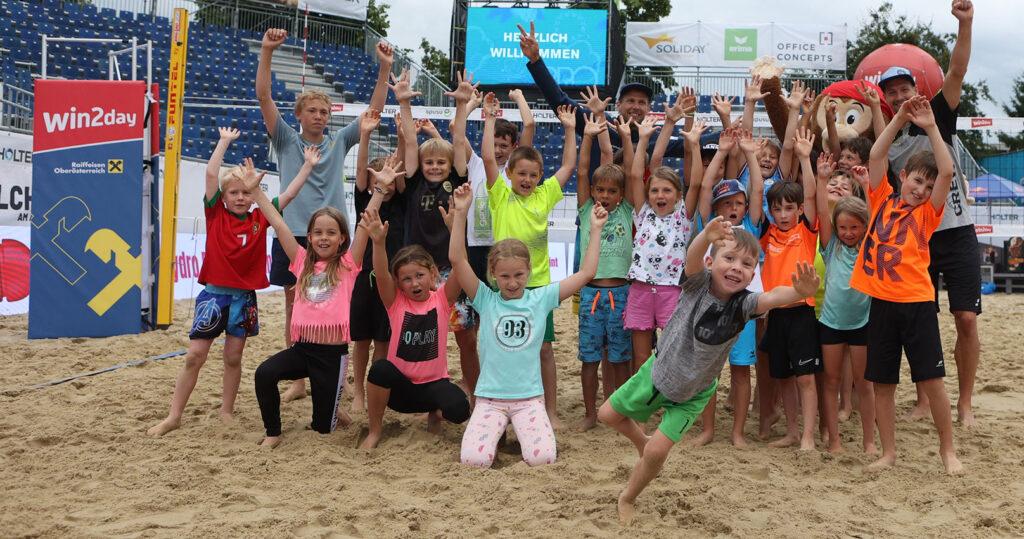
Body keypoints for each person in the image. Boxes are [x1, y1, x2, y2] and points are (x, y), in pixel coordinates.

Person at [599, 216, 821, 525]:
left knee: (656, 454)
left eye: (745, 264)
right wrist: (706, 234)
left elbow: (772, 297)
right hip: (659, 372)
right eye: (728, 258)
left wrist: (799, 292)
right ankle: (641, 441)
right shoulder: (697, 283)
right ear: (711, 261)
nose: (736, 267)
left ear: (752, 273)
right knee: (607, 416)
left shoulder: (745, 304)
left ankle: (628, 497)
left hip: (694, 393)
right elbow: (691, 259)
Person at [146, 131, 316, 437]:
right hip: (213, 297)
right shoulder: (214, 215)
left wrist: (306, 166)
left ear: (253, 195)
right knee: (195, 355)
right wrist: (224, 141)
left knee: (233, 357)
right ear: (223, 197)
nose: (240, 198)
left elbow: (288, 195)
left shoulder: (259, 218)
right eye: (234, 193)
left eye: (245, 193)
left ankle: (226, 410)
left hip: (244, 299)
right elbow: (212, 173)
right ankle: (174, 415)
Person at [257, 28, 393, 403]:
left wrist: (384, 70)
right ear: (299, 115)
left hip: (334, 234)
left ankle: (335, 371)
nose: (319, 116)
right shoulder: (285, 139)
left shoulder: (338, 141)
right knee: (293, 306)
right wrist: (268, 51)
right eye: (312, 110)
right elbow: (264, 96)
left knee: (338, 308)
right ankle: (300, 378)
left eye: (324, 111)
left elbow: (374, 112)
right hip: (295, 234)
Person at [448, 183, 610, 467]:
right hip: (490, 398)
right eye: (505, 276)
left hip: (529, 399)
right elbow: (457, 259)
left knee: (543, 458)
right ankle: (495, 437)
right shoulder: (485, 298)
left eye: (519, 275)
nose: (512, 283)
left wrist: (595, 229)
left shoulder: (540, 297)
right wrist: (461, 213)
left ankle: (516, 434)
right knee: (474, 461)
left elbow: (587, 273)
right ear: (493, 275)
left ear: (529, 271)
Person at [850, 95, 964, 475]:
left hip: (917, 304)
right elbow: (877, 155)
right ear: (903, 177)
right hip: (881, 303)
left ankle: (948, 452)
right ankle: (888, 452)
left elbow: (946, 172)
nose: (921, 188)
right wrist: (898, 117)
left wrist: (931, 127)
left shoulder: (928, 214)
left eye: (927, 185)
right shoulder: (881, 197)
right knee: (882, 384)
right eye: (917, 180)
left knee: (931, 381)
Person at [879, 0, 980, 428]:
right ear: (885, 99)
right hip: (915, 241)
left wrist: (965, 23)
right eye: (892, 91)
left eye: (905, 88)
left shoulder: (938, 115)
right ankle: (924, 398)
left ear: (915, 88)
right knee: (922, 322)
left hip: (956, 233)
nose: (901, 95)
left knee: (967, 318)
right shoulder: (888, 140)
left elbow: (956, 71)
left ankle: (966, 402)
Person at [247, 159, 372, 448]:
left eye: (331, 233)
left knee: (322, 430)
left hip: (332, 357)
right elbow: (278, 223)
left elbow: (365, 225)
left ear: (342, 238)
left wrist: (378, 191)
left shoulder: (347, 265)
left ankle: (332, 409)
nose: (323, 238)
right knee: (264, 373)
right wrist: (257, 193)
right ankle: (273, 432)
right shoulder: (301, 261)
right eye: (318, 233)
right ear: (310, 237)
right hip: (303, 350)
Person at [481, 92, 577, 427]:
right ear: (510, 173)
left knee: (544, 350)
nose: (527, 180)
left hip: (536, 287)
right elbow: (488, 161)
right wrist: (490, 117)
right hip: (503, 287)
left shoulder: (544, 195)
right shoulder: (501, 195)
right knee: (504, 348)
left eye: (533, 175)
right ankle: (498, 407)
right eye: (521, 173)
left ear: (539, 177)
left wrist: (569, 130)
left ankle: (549, 411)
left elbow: (567, 166)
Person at [358, 181, 471, 449]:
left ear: (432, 274)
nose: (414, 283)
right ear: (399, 284)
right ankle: (375, 430)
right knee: (381, 368)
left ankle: (435, 413)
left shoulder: (442, 298)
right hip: (400, 391)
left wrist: (455, 226)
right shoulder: (395, 302)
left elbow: (460, 264)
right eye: (406, 279)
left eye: (419, 275)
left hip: (433, 387)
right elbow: (382, 273)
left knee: (460, 410)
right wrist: (378, 243)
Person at [691, 127, 765, 448]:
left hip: (744, 310)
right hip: (711, 308)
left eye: (738, 202)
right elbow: (705, 187)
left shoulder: (750, 224)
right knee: (708, 373)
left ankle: (737, 432)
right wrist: (721, 152)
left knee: (740, 371)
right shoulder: (709, 228)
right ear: (717, 208)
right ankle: (707, 430)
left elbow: (758, 190)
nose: (732, 207)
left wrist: (749, 152)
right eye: (726, 203)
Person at [758, 127, 821, 451]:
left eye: (789, 208)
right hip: (776, 316)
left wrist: (804, 158)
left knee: (806, 378)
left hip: (802, 315)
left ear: (798, 210)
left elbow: (810, 194)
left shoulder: (806, 230)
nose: (783, 214)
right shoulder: (767, 235)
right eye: (777, 209)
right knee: (782, 377)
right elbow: (756, 196)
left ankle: (808, 436)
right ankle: (793, 431)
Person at [815, 164, 876, 454]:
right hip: (831, 323)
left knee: (865, 384)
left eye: (854, 227)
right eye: (843, 227)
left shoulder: (869, 246)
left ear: (864, 227)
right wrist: (822, 179)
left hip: (862, 323)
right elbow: (822, 213)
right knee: (831, 381)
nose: (848, 232)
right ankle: (835, 441)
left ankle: (869, 441)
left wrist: (866, 184)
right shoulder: (831, 245)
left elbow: (876, 218)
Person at [574, 112, 630, 430]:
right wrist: (587, 137)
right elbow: (583, 171)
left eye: (611, 191)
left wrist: (623, 137)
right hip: (591, 293)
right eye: (600, 190)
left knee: (620, 358)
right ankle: (590, 413)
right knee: (589, 358)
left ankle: (616, 410)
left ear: (620, 196)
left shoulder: (625, 210)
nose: (604, 196)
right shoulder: (586, 209)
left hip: (621, 293)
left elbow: (632, 174)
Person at [348, 109, 405, 414]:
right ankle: (357, 391)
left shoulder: (401, 202)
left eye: (391, 177)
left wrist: (399, 135)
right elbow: (361, 170)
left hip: (390, 279)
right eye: (379, 178)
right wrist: (365, 135)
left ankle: (373, 391)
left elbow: (401, 163)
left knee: (383, 342)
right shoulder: (365, 201)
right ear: (371, 183)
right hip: (362, 277)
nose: (386, 181)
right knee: (361, 340)